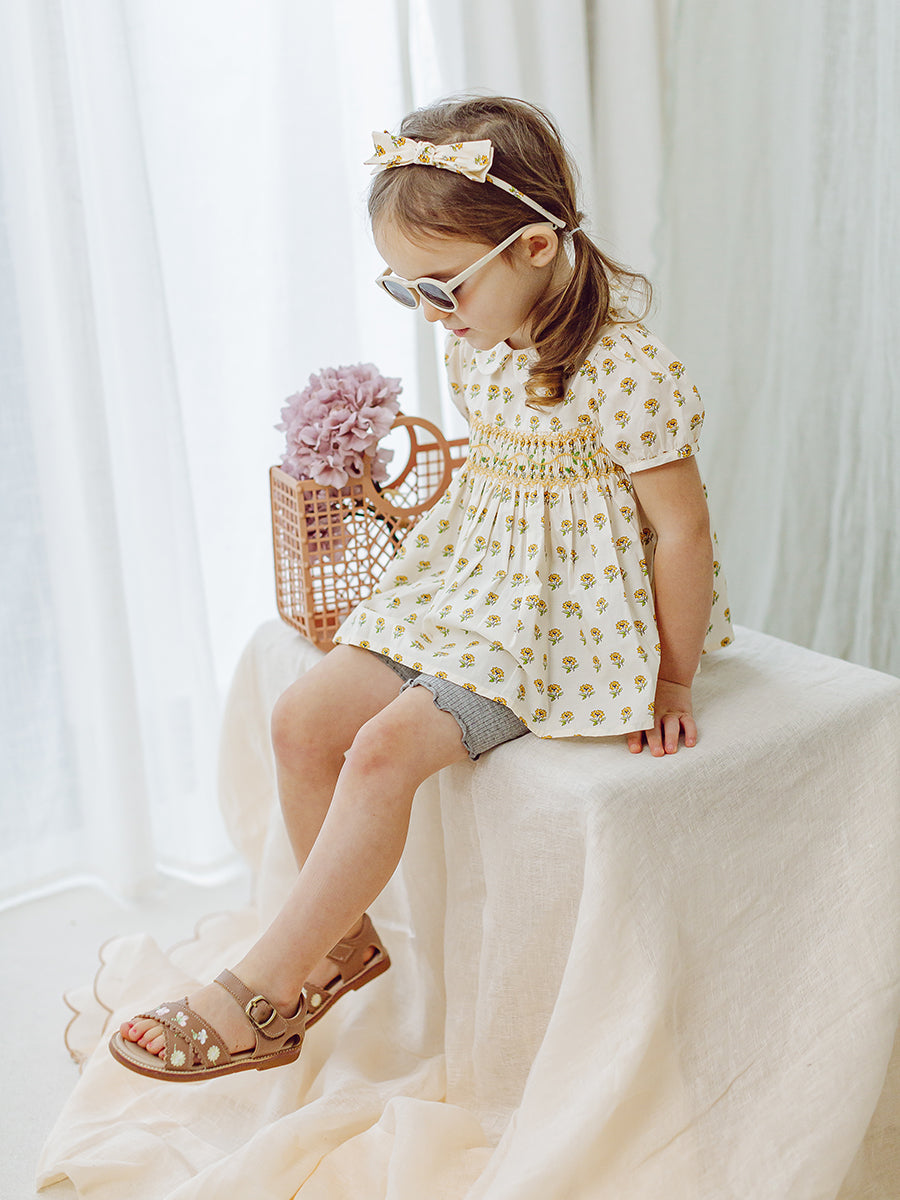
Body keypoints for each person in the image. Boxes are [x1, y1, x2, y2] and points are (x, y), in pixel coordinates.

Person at [110, 94, 732, 1081]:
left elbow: (683, 528)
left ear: (535, 247)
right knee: (301, 720)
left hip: (557, 616)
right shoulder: (478, 346)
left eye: (442, 289)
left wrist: (673, 675)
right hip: (472, 581)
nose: (433, 315)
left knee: (382, 751)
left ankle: (268, 984)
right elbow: (497, 483)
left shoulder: (627, 372)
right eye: (408, 293)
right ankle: (340, 940)